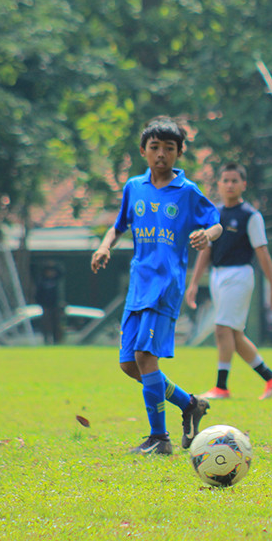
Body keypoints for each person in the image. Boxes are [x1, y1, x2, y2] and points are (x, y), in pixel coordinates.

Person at [91, 116, 223, 456]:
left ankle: (159, 439)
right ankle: (189, 404)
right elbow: (118, 226)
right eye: (155, 148)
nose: (161, 154)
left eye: (169, 148)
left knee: (145, 357)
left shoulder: (188, 192)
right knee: (129, 365)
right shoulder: (134, 187)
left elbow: (216, 223)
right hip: (138, 284)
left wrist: (206, 235)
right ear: (143, 152)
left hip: (166, 284)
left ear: (179, 153)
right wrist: (105, 246)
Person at [185, 163, 272, 401]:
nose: (230, 185)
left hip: (239, 275)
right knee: (234, 334)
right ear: (219, 184)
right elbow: (205, 250)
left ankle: (221, 387)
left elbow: (262, 253)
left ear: (244, 184)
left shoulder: (251, 215)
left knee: (222, 329)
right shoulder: (213, 214)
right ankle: (271, 378)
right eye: (225, 180)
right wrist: (193, 283)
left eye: (234, 180)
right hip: (217, 276)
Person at [35, 262, 64, 345]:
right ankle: (47, 339)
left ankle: (57, 341)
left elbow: (61, 273)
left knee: (56, 323)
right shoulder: (42, 281)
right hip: (45, 306)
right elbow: (38, 293)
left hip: (55, 305)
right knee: (46, 323)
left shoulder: (56, 280)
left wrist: (54, 265)